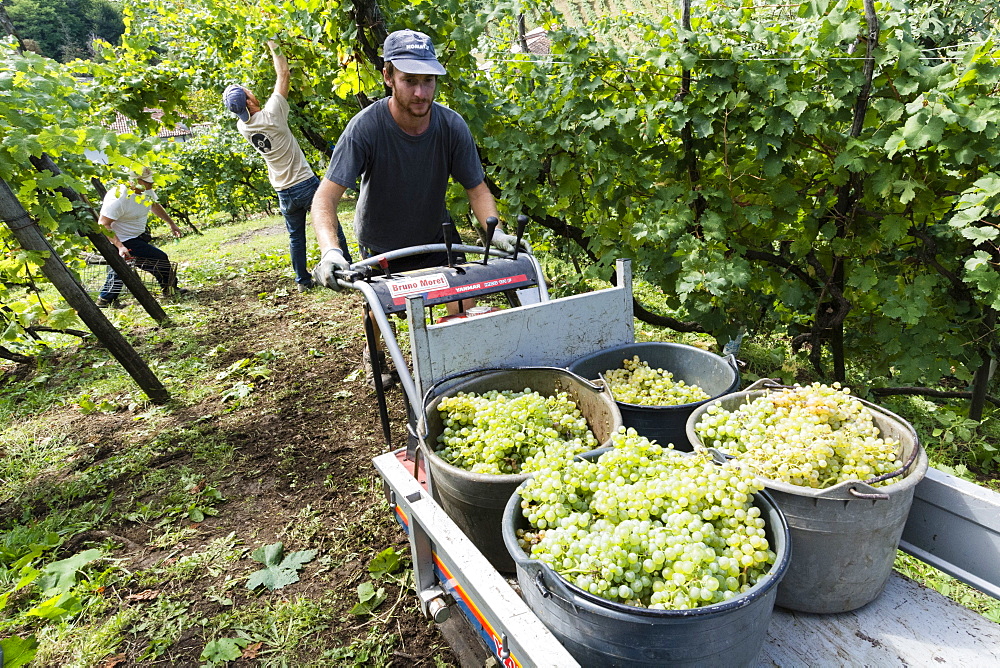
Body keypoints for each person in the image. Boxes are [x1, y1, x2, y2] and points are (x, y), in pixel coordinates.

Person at [310, 29, 528, 388]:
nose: (420, 93)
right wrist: (330, 251)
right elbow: (325, 198)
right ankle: (376, 353)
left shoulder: (451, 125)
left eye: (428, 81)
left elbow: (477, 189)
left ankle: (460, 369)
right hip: (381, 240)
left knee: (462, 300)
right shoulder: (365, 128)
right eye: (409, 81)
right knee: (379, 308)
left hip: (434, 233)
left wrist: (496, 232)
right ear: (387, 76)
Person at [223, 39, 352, 293]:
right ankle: (346, 271)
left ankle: (302, 281)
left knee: (296, 237)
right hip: (304, 183)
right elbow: (283, 73)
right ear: (249, 102)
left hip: (282, 189)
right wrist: (273, 43)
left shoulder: (243, 126)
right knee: (331, 224)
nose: (252, 92)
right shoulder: (273, 114)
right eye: (248, 92)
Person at [96, 167, 185, 308]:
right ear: (133, 181)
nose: (151, 185)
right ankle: (170, 289)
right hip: (123, 239)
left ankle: (104, 300)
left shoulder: (145, 190)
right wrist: (119, 246)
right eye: (147, 182)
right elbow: (103, 224)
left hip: (136, 236)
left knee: (122, 268)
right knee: (159, 258)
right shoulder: (119, 198)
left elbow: (154, 205)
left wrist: (171, 223)